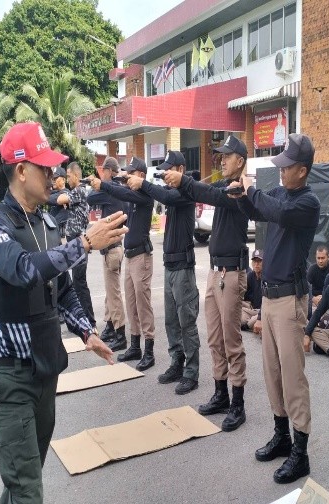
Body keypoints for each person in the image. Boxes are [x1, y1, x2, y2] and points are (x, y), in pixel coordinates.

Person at [0, 122, 124, 503]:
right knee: (27, 490)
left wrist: (87, 332)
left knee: (24, 480)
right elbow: (25, 271)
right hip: (12, 377)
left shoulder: (46, 223)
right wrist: (84, 243)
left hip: (46, 372)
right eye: (43, 167)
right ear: (21, 171)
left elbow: (61, 291)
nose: (53, 174)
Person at [231, 132, 320, 484]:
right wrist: (242, 197)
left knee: (293, 377)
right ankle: (282, 435)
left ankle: (301, 452)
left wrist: (251, 190)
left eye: (287, 166)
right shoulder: (283, 193)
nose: (281, 171)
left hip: (289, 301)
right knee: (272, 373)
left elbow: (277, 210)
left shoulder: (307, 202)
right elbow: (260, 208)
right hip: (269, 298)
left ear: (302, 169)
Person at [163, 135, 251, 432]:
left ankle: (237, 404)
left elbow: (208, 194)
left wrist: (184, 181)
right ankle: (221, 393)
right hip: (216, 273)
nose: (221, 160)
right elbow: (206, 191)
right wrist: (182, 183)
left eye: (227, 156)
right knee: (214, 338)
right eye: (221, 156)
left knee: (231, 341)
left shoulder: (239, 189)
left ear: (240, 161)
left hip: (231, 273)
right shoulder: (224, 186)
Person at [126, 150, 201, 394]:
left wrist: (143, 183)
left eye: (169, 170)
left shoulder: (186, 192)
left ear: (180, 170)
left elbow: (166, 196)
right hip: (170, 266)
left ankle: (191, 372)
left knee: (186, 322)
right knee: (171, 321)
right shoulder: (172, 192)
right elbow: (164, 194)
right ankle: (176, 363)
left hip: (183, 268)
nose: (166, 174)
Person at [89, 157, 156, 370]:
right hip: (130, 255)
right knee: (132, 303)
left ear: (141, 176)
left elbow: (122, 193)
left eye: (131, 173)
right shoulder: (132, 194)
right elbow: (122, 192)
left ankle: (149, 350)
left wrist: (104, 184)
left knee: (143, 306)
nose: (127, 176)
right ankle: (135, 345)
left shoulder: (144, 196)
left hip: (142, 256)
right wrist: (117, 182)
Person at [87, 157, 126, 346]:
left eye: (104, 171)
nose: (102, 175)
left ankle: (120, 334)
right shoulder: (120, 189)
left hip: (112, 249)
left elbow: (89, 198)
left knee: (114, 293)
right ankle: (110, 326)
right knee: (110, 292)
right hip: (114, 248)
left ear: (110, 171)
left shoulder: (109, 190)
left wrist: (95, 185)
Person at [56, 162, 96, 327]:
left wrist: (64, 195)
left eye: (68, 176)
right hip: (76, 240)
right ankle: (83, 319)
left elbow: (60, 199)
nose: (67, 179)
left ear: (76, 175)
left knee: (79, 283)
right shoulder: (77, 191)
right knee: (77, 282)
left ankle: (90, 321)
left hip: (79, 240)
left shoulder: (79, 190)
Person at [242, 249, 263, 334]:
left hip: (263, 311)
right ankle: (252, 324)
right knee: (236, 311)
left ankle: (249, 325)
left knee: (258, 319)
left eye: (259, 261)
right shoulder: (250, 276)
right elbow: (242, 295)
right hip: (252, 310)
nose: (256, 264)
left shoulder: (267, 277)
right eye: (254, 261)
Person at [306, 245, 329, 318]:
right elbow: (306, 288)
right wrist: (313, 298)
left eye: (323, 258)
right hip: (314, 302)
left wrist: (325, 298)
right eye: (318, 258)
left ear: (328, 257)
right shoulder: (312, 269)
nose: (320, 261)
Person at [46, 167, 69, 241]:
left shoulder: (66, 192)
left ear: (63, 180)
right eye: (52, 178)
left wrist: (40, 196)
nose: (53, 180)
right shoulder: (54, 192)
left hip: (63, 237)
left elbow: (54, 199)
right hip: (53, 234)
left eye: (55, 178)